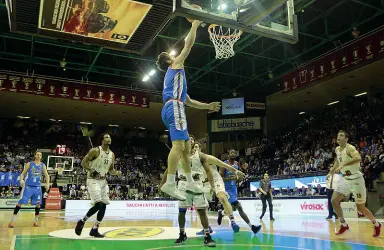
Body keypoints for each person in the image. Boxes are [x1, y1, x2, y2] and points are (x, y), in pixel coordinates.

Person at [156, 20, 221, 200]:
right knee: (178, 146)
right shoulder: (174, 65)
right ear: (168, 59)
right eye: (171, 54)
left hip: (175, 106)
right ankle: (170, 183)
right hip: (174, 107)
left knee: (185, 147)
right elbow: (189, 45)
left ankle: (190, 180)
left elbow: (190, 101)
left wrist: (208, 106)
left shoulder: (174, 80)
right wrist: (194, 25)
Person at [192, 142, 261, 235]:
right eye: (194, 147)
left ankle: (232, 222)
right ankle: (207, 227)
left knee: (223, 198)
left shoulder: (207, 158)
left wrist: (236, 171)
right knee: (198, 207)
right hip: (204, 184)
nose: (195, 149)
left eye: (197, 147)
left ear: (200, 149)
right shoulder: (192, 161)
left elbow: (222, 164)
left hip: (216, 181)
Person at [159, 140, 216, 247]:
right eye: (187, 138)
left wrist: (212, 186)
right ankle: (182, 234)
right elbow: (168, 169)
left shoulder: (201, 155)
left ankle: (207, 236)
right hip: (182, 183)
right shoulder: (178, 154)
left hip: (197, 182)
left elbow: (208, 171)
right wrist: (162, 183)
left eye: (191, 138)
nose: (189, 139)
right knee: (181, 211)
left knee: (201, 210)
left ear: (193, 142)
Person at [329, 130, 381, 237]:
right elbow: (338, 162)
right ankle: (343, 224)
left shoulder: (350, 148)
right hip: (345, 179)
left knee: (361, 209)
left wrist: (345, 163)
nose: (338, 137)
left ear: (346, 138)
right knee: (334, 200)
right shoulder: (337, 149)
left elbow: (358, 158)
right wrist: (332, 171)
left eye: (341, 135)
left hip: (356, 179)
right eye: (338, 135)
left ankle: (376, 224)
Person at [75, 134, 121, 238]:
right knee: (98, 204)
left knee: (104, 204)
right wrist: (92, 170)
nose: (108, 138)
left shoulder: (112, 155)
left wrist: (117, 172)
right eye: (106, 137)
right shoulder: (95, 151)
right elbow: (83, 163)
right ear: (102, 140)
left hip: (103, 181)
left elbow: (111, 170)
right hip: (93, 180)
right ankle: (82, 222)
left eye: (109, 137)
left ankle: (95, 229)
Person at [220, 149, 262, 233]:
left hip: (234, 189)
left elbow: (237, 178)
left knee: (233, 208)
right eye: (231, 152)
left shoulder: (236, 164)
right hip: (226, 189)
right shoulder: (224, 164)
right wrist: (231, 178)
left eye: (234, 153)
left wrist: (239, 177)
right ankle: (252, 227)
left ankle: (221, 213)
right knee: (238, 206)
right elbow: (220, 178)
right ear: (228, 155)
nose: (233, 154)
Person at [8, 151, 50, 228]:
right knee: (20, 203)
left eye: (40, 155)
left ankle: (36, 221)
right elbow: (23, 173)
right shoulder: (29, 164)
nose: (38, 156)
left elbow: (47, 175)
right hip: (28, 187)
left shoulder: (42, 165)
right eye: (37, 154)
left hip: (37, 188)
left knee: (38, 205)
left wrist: (47, 184)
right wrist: (21, 180)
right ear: (34, 155)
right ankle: (12, 221)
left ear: (41, 156)